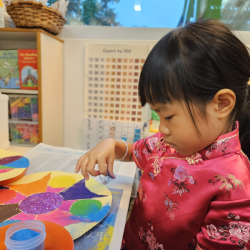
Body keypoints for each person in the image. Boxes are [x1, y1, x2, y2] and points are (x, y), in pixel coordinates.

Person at [76, 19, 250, 249]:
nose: (161, 129)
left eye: (168, 116)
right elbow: (134, 152)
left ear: (221, 104)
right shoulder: (167, 142)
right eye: (158, 116)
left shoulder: (234, 184)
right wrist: (112, 145)